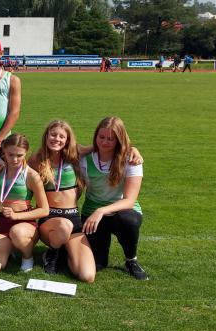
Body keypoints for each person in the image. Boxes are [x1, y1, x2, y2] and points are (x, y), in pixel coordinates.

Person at [81, 116, 149, 280]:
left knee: (129, 221)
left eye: (111, 139)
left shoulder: (131, 160)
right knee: (98, 264)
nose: (105, 142)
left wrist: (101, 211)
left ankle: (131, 260)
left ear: (119, 140)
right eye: (101, 137)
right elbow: (65, 147)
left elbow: (130, 200)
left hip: (122, 211)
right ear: (96, 136)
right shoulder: (85, 159)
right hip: (92, 214)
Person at [29, 120, 95, 281]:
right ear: (46, 136)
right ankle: (52, 253)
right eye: (53, 135)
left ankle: (65, 251)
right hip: (50, 220)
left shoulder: (75, 154)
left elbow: (103, 147)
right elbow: (17, 169)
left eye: (61, 136)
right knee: (64, 226)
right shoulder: (37, 159)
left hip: (73, 219)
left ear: (67, 140)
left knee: (87, 276)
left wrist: (132, 150)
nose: (56, 139)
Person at [0, 134, 49, 273]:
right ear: (4, 151)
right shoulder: (0, 170)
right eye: (10, 154)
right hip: (1, 221)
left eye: (19, 155)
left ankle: (27, 257)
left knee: (17, 232)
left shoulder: (31, 175)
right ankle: (10, 248)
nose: (14, 159)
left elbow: (44, 210)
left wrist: (16, 216)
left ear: (26, 153)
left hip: (24, 223)